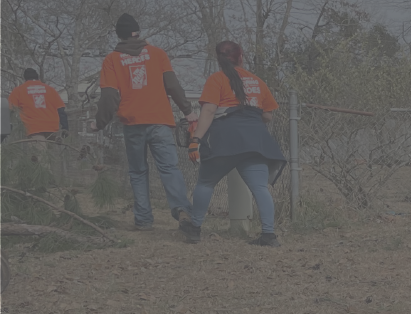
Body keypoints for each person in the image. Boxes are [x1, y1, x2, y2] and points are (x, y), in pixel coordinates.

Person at [91, 13, 197, 232]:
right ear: (138, 32)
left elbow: (109, 96)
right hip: (160, 121)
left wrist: (99, 123)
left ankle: (143, 220)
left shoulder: (112, 60)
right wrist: (188, 111)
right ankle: (182, 210)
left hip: (132, 123)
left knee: (138, 171)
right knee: (169, 168)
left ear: (119, 36)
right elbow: (173, 85)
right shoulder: (157, 54)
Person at [179, 40, 285, 247]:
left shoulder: (217, 79)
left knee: (206, 182)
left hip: (224, 140)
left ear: (219, 60)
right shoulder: (257, 81)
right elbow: (268, 116)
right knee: (260, 188)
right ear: (241, 57)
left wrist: (195, 140)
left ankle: (195, 228)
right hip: (256, 140)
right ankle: (269, 235)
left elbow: (209, 111)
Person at [8, 68, 68, 141]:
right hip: (52, 128)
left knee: (39, 151)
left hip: (33, 129)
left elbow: (9, 110)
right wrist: (65, 128)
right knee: (53, 151)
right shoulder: (50, 89)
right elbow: (61, 110)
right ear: (37, 77)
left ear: (25, 78)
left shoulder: (19, 91)